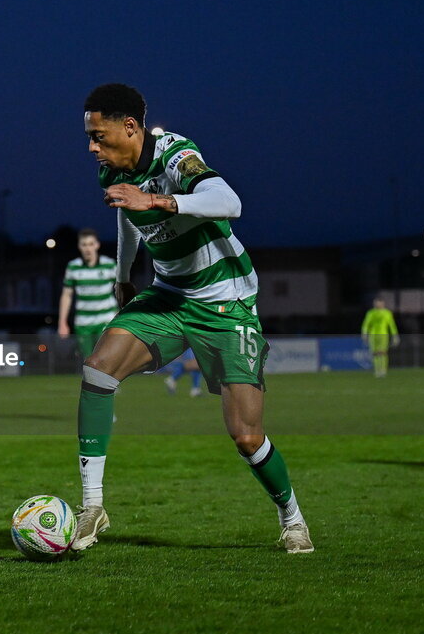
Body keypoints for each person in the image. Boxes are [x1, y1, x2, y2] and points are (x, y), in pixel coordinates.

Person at [73, 83, 313, 554]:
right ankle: (92, 506)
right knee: (98, 370)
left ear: (131, 127)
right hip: (169, 296)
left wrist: (161, 201)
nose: (91, 147)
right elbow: (125, 213)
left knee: (246, 436)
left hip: (226, 303)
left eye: (99, 136)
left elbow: (230, 202)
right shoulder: (110, 173)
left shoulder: (176, 155)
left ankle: (292, 516)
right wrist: (123, 276)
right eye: (88, 137)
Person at [57, 229, 119, 358]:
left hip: (105, 319)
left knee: (104, 359)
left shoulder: (109, 265)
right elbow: (67, 295)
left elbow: (122, 288)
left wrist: (123, 312)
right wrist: (62, 322)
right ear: (79, 246)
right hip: (83, 322)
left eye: (91, 244)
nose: (87, 248)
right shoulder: (73, 267)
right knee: (89, 363)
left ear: (97, 245)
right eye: (84, 245)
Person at [361, 297, 399, 378]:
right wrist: (364, 333)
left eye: (379, 303)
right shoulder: (371, 313)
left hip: (383, 335)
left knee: (383, 352)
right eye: (376, 303)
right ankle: (377, 370)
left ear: (383, 304)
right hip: (373, 335)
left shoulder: (387, 313)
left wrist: (395, 335)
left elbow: (392, 325)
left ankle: (383, 370)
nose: (377, 304)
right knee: (374, 353)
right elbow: (366, 324)